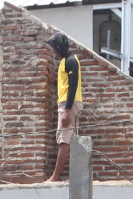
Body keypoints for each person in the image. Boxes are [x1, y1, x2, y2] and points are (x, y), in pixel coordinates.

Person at [44, 32, 82, 182]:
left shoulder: (71, 61)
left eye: (55, 48)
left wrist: (67, 110)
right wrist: (53, 81)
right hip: (70, 103)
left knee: (64, 139)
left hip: (69, 104)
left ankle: (55, 176)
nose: (54, 51)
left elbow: (72, 86)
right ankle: (75, 176)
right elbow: (66, 85)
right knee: (72, 140)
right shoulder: (66, 61)